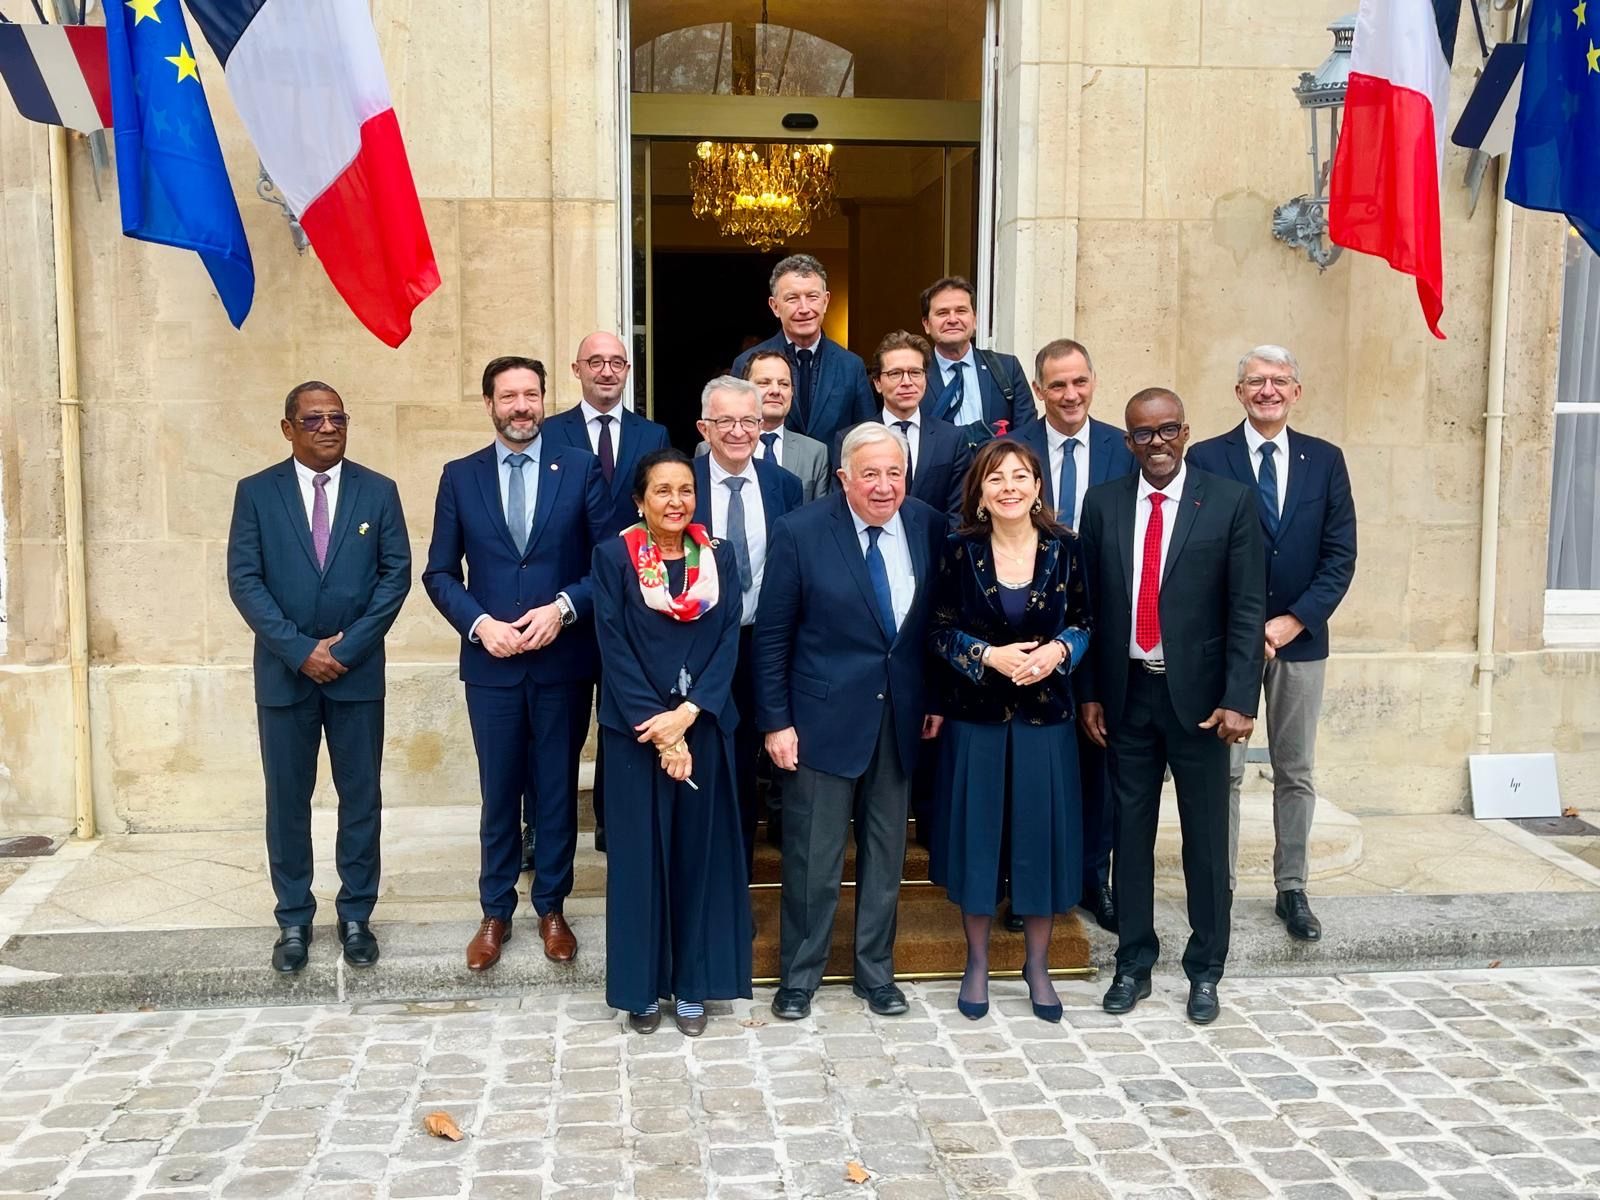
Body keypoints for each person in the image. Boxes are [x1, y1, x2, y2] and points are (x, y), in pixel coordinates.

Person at [1077, 387, 1265, 1025]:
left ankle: (1206, 966)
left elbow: (1246, 610)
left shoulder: (1230, 501)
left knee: (1204, 840)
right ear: (1126, 441)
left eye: (1166, 431)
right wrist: (1092, 692)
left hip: (1204, 704)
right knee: (1129, 837)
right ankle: (1133, 962)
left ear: (1185, 431)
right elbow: (1093, 608)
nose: (1155, 444)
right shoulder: (1101, 504)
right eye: (1142, 434)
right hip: (1128, 694)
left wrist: (1241, 699)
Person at [422, 356, 609, 972]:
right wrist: (479, 625)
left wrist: (564, 609)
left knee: (556, 789)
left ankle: (552, 908)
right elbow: (440, 572)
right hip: (493, 666)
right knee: (498, 791)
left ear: (544, 399)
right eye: (509, 397)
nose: (522, 406)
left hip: (562, 662)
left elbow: (608, 564)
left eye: (531, 394)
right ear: (490, 404)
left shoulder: (580, 470)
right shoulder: (460, 476)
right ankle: (495, 910)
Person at [754, 423, 945, 1020]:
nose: (884, 485)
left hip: (901, 717)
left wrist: (934, 698)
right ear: (843, 477)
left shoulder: (928, 525)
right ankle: (799, 976)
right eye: (870, 473)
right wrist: (776, 722)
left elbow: (932, 627)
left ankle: (875, 972)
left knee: (887, 853)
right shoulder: (800, 532)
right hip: (819, 721)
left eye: (894, 472)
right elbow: (772, 638)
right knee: (813, 855)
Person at [227, 381, 411, 973]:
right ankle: (293, 918)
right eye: (313, 420)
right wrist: (301, 650)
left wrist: (348, 648)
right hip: (285, 677)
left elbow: (395, 577)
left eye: (337, 418)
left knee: (361, 796)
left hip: (356, 677)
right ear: (288, 428)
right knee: (287, 800)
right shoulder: (256, 493)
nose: (328, 427)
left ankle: (356, 912)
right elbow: (245, 581)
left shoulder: (378, 492)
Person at [1186, 346, 1357, 943]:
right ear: (1238, 392)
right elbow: (1196, 554)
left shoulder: (1325, 461)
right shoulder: (1206, 458)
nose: (1268, 391)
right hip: (1229, 643)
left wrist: (1291, 622)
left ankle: (1292, 887)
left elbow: (1340, 556)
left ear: (1296, 391)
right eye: (1256, 381)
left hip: (1301, 641)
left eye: (1279, 381)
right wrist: (1244, 628)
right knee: (1223, 770)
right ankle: (1220, 886)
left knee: (1295, 768)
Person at [926, 440, 1092, 1024]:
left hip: (1047, 719)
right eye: (996, 479)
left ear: (1038, 486)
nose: (1010, 487)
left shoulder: (1067, 549)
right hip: (977, 720)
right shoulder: (958, 550)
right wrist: (985, 657)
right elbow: (938, 630)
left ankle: (1038, 965)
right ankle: (976, 962)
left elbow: (1085, 621)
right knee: (977, 839)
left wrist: (1058, 653)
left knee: (1040, 838)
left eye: (1020, 476)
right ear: (981, 492)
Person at [593, 448, 752, 1037]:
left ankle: (693, 985)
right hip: (637, 731)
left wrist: (687, 714)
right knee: (639, 863)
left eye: (685, 490)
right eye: (662, 491)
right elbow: (612, 645)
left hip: (703, 726)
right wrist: (660, 730)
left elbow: (728, 640)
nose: (676, 501)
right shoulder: (613, 557)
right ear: (640, 499)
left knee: (698, 859)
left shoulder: (720, 557)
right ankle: (640, 988)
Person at [1010, 338, 1137, 933]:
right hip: (1030, 633)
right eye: (1057, 385)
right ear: (1039, 390)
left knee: (1100, 763)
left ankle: (1094, 879)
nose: (1070, 394)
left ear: (1093, 381)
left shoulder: (1124, 447)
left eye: (1079, 382)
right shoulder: (1011, 449)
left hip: (1108, 628)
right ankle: (1026, 885)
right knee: (1030, 767)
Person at [542, 331, 672, 855]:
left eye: (616, 362)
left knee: (622, 713)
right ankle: (545, 828)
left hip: (638, 598)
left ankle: (611, 822)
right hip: (572, 594)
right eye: (595, 362)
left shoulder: (653, 431)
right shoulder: (551, 431)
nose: (606, 371)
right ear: (576, 369)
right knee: (562, 724)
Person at [691, 376, 803, 866]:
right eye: (725, 421)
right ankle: (723, 879)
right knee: (722, 768)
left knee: (780, 761)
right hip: (705, 647)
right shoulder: (682, 483)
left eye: (749, 421)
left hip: (771, 643)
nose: (738, 431)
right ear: (704, 427)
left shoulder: (786, 486)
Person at [731, 254, 875, 451]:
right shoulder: (746, 363)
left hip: (834, 479)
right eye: (792, 298)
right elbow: (733, 430)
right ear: (774, 306)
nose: (804, 308)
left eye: (812, 297)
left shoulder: (851, 366)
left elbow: (866, 438)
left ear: (825, 302)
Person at [833, 330, 971, 519]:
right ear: (877, 383)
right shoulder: (850, 439)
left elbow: (959, 512)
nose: (907, 382)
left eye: (915, 372)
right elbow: (843, 507)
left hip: (934, 546)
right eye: (895, 373)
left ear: (925, 379)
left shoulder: (952, 439)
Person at [694, 350, 831, 503]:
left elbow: (819, 516)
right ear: (744, 389)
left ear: (792, 392)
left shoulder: (815, 453)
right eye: (764, 382)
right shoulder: (709, 446)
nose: (775, 391)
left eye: (784, 384)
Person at [920, 276, 1035, 440]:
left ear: (974, 319)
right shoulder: (914, 375)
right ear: (926, 324)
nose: (952, 320)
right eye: (942, 313)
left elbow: (1027, 434)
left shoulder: (1007, 368)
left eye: (961, 311)